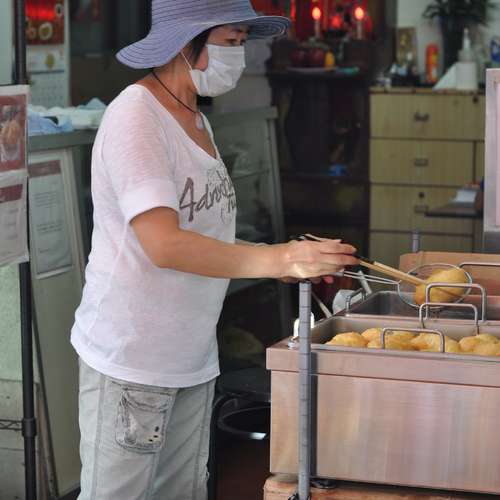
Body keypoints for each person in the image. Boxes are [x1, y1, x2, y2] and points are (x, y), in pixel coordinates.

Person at [70, 1, 358, 498]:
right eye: (231, 41)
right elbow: (165, 244)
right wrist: (277, 257)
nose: (239, 54)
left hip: (192, 357)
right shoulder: (136, 117)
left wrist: (279, 260)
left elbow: (207, 239)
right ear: (187, 44)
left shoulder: (196, 120)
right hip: (134, 360)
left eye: (243, 41)